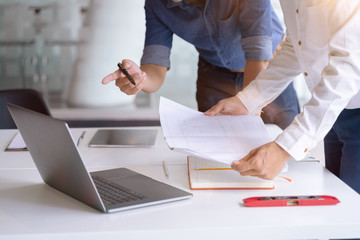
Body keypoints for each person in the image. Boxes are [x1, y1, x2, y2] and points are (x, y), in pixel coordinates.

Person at [205, 0, 360, 194]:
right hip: (334, 111)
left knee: (352, 209)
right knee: (336, 199)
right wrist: (247, 100)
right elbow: (297, 47)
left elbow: (347, 69)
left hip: (348, 104)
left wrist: (284, 148)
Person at [102, 0, 299, 130]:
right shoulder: (156, 4)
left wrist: (249, 107)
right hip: (214, 74)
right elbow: (154, 68)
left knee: (284, 142)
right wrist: (139, 79)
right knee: (215, 151)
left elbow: (258, 57)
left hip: (267, 71)